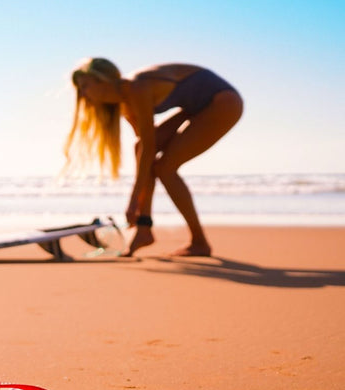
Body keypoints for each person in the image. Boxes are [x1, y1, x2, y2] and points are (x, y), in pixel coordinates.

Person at [64, 58, 243, 257]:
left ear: (102, 79)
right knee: (141, 149)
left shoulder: (136, 88)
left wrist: (133, 201)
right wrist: (140, 209)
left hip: (223, 101)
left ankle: (199, 242)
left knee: (165, 168)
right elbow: (144, 149)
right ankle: (144, 229)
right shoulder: (125, 103)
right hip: (195, 108)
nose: (83, 94)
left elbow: (149, 150)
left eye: (85, 86)